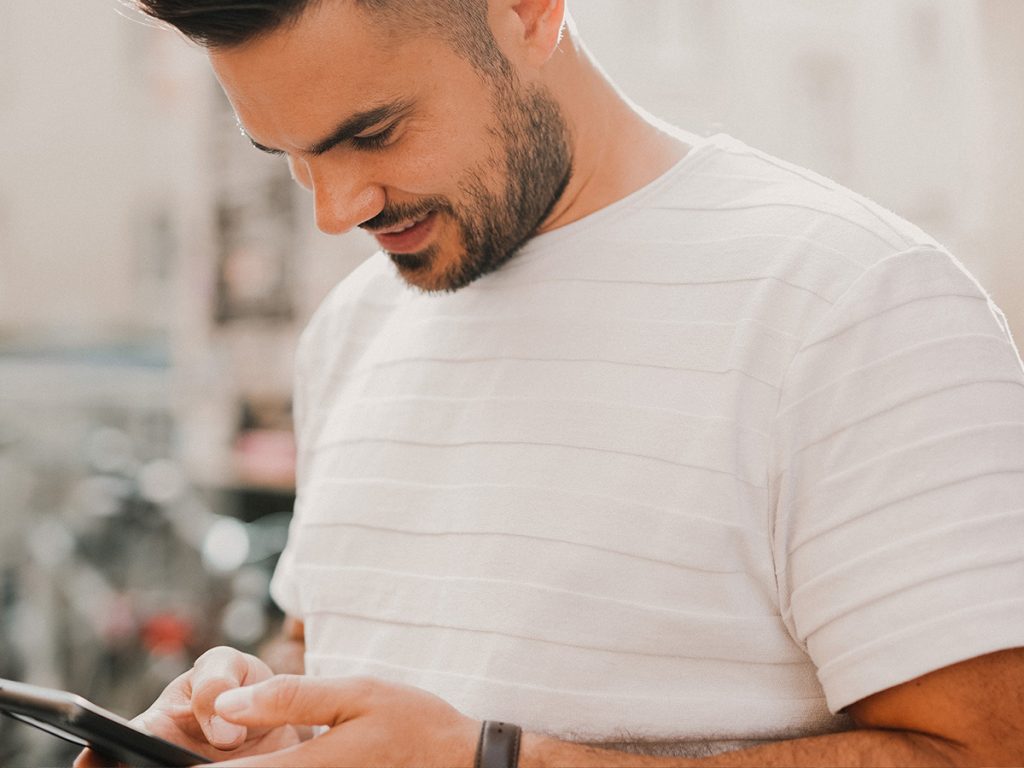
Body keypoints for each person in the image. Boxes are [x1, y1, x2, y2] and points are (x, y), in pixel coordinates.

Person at [79, 0, 1024, 765]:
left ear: (529, 11)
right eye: (293, 155)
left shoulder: (851, 303)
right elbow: (332, 646)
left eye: (374, 133)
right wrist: (262, 717)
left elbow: (985, 752)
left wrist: (494, 763)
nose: (335, 211)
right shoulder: (355, 326)